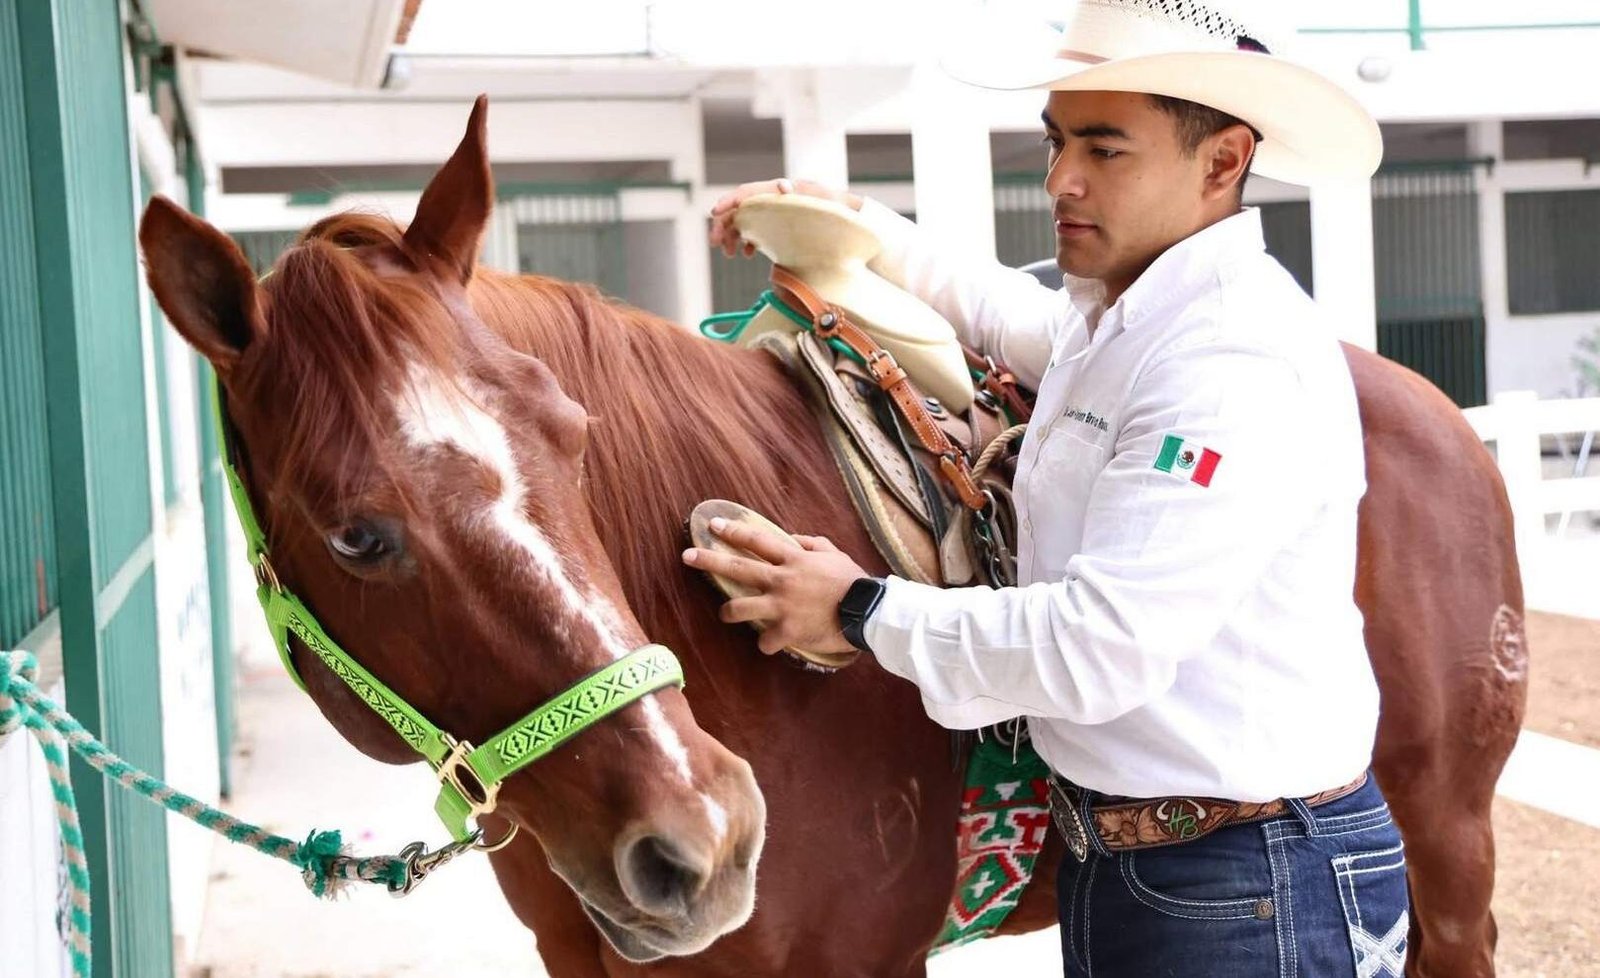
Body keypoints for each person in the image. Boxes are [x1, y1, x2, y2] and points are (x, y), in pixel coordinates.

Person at [681, 1, 1410, 975]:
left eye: (1106, 150)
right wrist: (854, 227)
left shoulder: (1226, 358)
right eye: (1058, 140)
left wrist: (856, 609)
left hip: (1246, 884)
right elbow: (1015, 318)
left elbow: (1097, 649)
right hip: (1154, 863)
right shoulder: (1126, 315)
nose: (1060, 178)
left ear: (1222, 162)